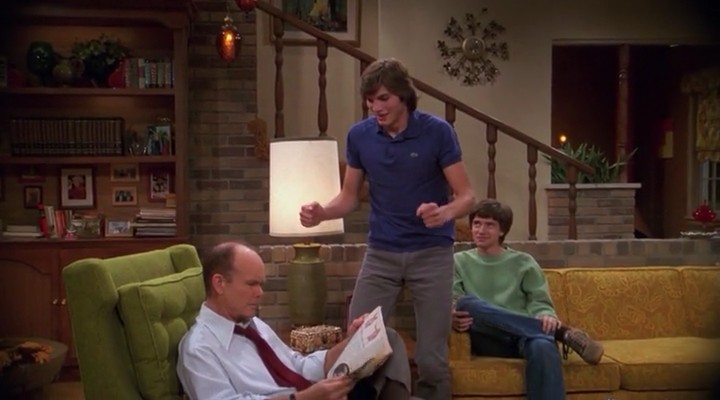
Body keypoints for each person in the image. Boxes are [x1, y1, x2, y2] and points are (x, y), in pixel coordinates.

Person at [299, 57, 476, 400]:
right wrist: (323, 213)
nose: (375, 107)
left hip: (431, 253)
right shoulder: (360, 136)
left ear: (403, 96)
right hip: (382, 252)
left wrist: (443, 213)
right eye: (370, 100)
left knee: (431, 359)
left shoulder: (437, 132)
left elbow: (467, 196)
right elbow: (349, 197)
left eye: (383, 98)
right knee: (356, 345)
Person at [177, 242, 413, 400]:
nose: (260, 293)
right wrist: (305, 398)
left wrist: (351, 341)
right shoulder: (199, 349)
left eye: (261, 284)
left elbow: (299, 366)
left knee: (388, 337)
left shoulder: (254, 325)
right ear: (219, 283)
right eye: (251, 284)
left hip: (313, 393)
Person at [451, 199, 605, 400]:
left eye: (489, 225)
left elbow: (539, 300)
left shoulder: (523, 262)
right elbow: (454, 300)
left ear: (502, 231)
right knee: (465, 303)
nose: (481, 230)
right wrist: (452, 316)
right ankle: (560, 334)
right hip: (488, 336)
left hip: (524, 338)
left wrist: (546, 314)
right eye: (477, 224)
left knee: (543, 346)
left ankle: (541, 331)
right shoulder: (459, 261)